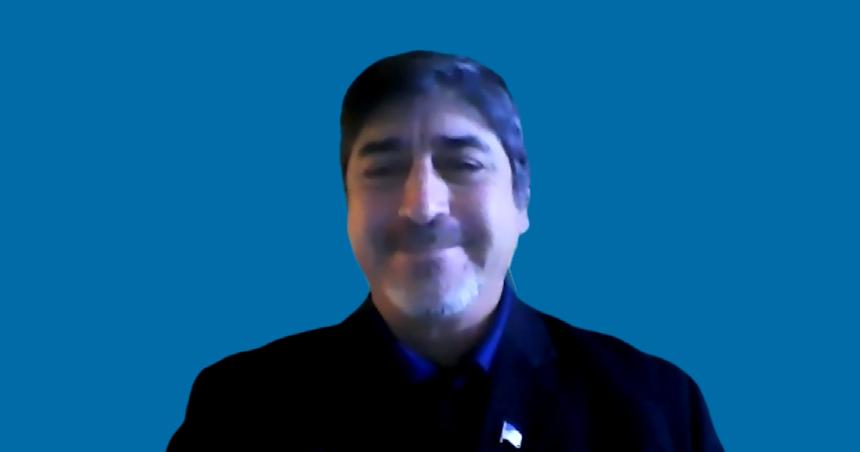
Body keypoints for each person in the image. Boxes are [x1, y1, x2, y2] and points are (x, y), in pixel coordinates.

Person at [166, 50, 724, 451]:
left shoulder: (656, 410)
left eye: (462, 164)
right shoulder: (239, 411)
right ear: (347, 203)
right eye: (384, 169)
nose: (423, 207)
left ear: (522, 200)